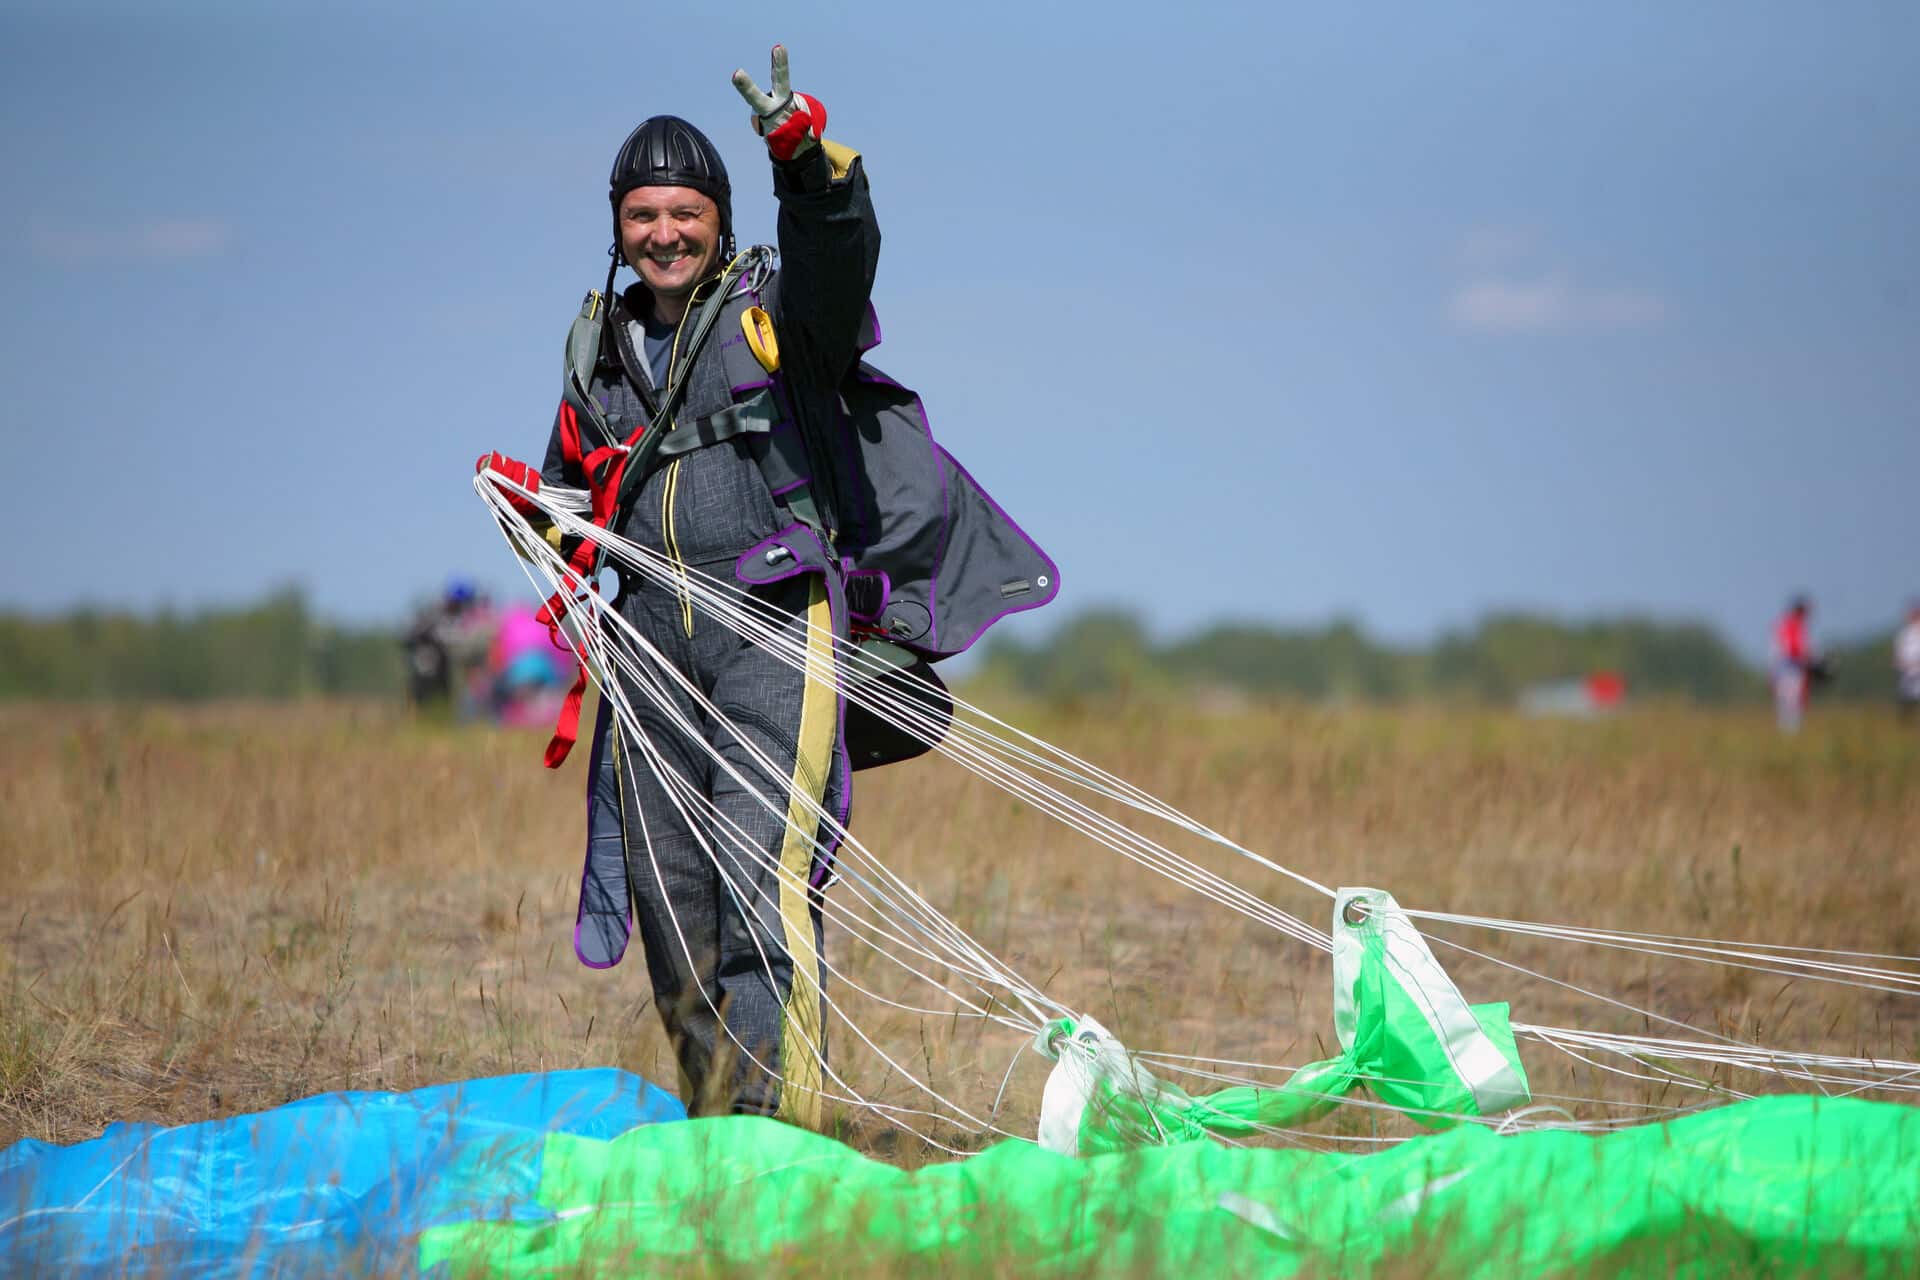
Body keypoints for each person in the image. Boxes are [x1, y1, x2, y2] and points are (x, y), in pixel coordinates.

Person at [479, 46, 1057, 1126]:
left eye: (685, 212)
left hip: (774, 638)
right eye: (643, 215)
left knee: (760, 882)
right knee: (670, 899)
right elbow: (579, 509)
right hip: (648, 656)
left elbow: (839, 255)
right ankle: (719, 1125)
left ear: (718, 217)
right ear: (618, 227)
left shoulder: (770, 315)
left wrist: (805, 159)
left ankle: (785, 1137)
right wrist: (531, 508)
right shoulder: (596, 355)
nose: (664, 233)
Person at [1771, 595, 1822, 733]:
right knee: (1789, 706)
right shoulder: (1789, 625)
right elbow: (1793, 650)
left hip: (1792, 670)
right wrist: (1812, 661)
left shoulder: (1797, 627)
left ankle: (1791, 734)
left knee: (1793, 706)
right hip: (1788, 671)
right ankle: (1789, 735)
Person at [1895, 602, 1920, 719]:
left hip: (1918, 673)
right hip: (1906, 674)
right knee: (1907, 704)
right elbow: (1898, 655)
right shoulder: (1904, 634)